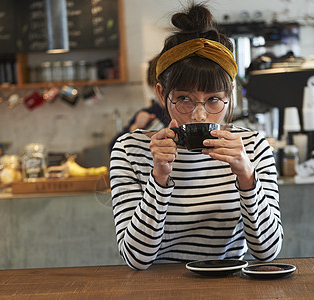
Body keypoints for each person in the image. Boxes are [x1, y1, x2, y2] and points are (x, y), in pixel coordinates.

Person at [110, 3, 282, 270]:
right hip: (157, 290)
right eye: (184, 99)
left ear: (230, 94)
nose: (200, 115)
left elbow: (267, 253)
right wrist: (159, 177)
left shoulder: (253, 147)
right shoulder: (130, 150)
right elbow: (137, 259)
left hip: (231, 287)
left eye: (214, 99)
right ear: (161, 93)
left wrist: (247, 176)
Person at [109, 55, 169, 150]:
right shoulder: (149, 114)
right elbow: (113, 147)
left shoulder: (191, 114)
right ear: (154, 87)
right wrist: (135, 127)